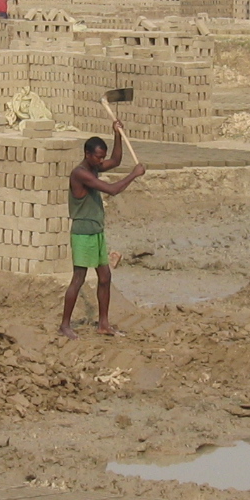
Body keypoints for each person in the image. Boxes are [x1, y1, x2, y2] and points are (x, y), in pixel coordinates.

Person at [60, 123, 146, 339]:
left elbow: (116, 160)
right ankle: (65, 325)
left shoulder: (93, 168)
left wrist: (117, 134)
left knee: (105, 276)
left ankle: (104, 324)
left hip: (96, 231)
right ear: (87, 154)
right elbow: (112, 190)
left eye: (102, 157)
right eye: (97, 157)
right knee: (78, 278)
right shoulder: (80, 174)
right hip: (82, 233)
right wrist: (133, 174)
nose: (100, 161)